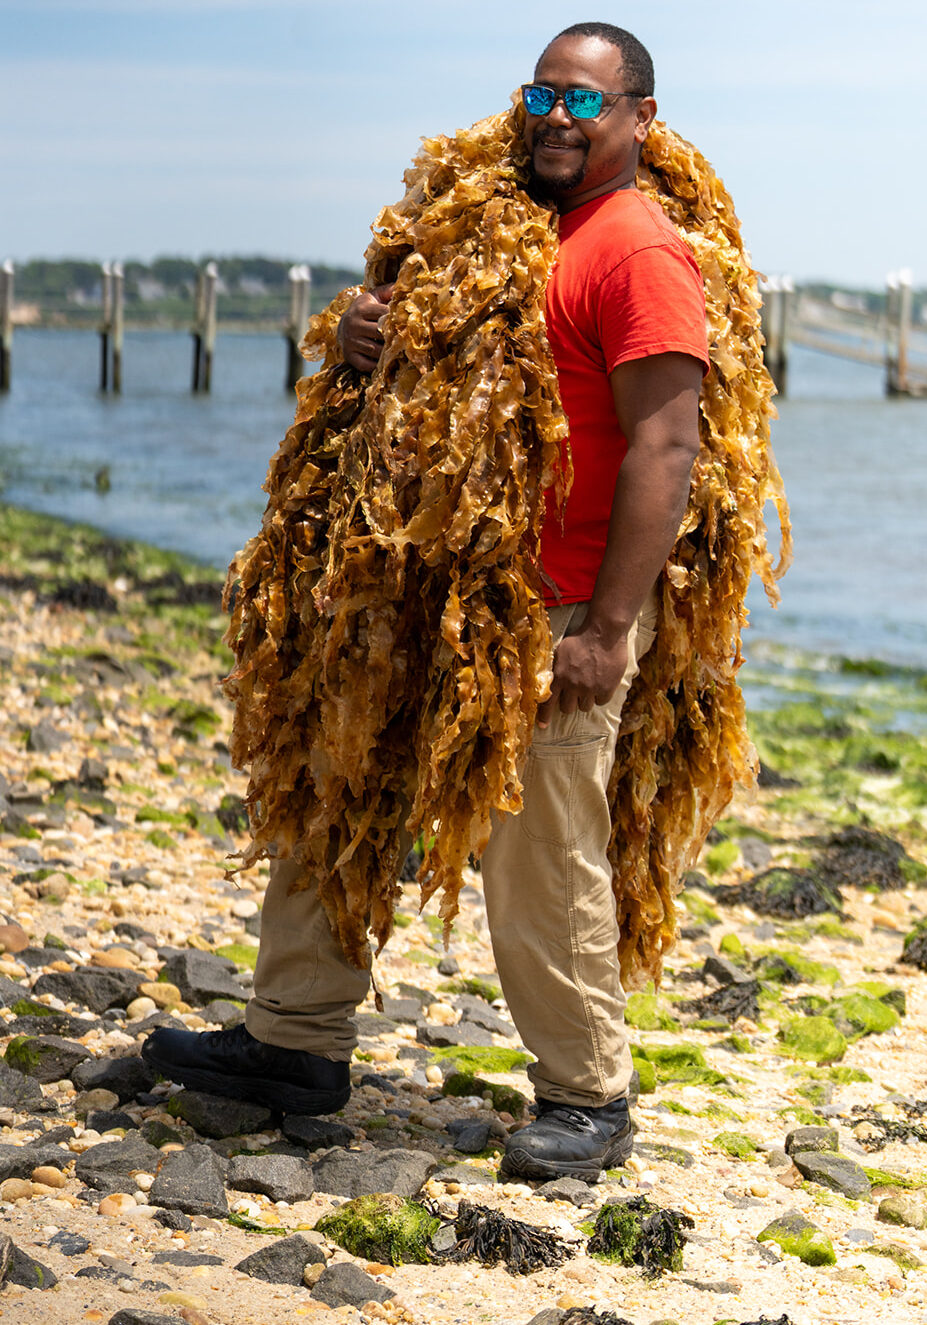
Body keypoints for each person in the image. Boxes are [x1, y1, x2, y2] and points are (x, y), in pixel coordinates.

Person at [143, 21, 711, 1182]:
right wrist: (360, 333)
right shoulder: (494, 225)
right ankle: (293, 1042)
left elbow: (665, 444)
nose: (555, 122)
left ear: (637, 121)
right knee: (333, 796)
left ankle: (588, 1091)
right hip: (415, 594)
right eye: (540, 98)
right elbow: (427, 368)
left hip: (551, 611)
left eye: (583, 104)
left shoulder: (637, 252)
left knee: (540, 854)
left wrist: (608, 628)